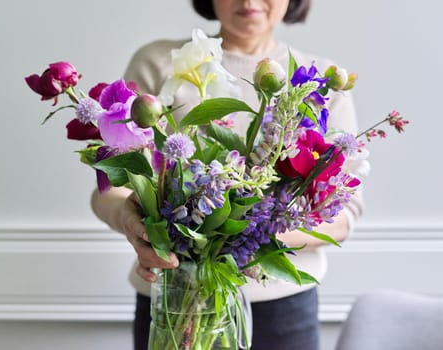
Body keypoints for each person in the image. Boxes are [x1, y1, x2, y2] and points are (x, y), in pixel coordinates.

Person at [91, 1, 363, 349]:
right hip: (174, 300)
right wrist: (136, 228)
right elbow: (108, 187)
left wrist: (237, 238)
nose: (248, 1)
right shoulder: (159, 62)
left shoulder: (321, 81)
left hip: (281, 311)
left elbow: (343, 212)